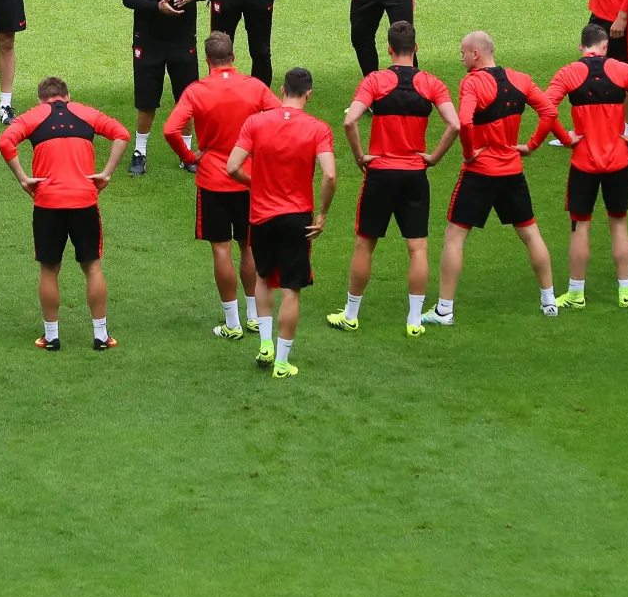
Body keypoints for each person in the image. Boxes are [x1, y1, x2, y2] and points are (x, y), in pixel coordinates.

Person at [326, 21, 457, 336]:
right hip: (414, 174)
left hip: (381, 174)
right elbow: (455, 125)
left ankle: (352, 315)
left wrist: (360, 156)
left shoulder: (375, 81)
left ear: (388, 48)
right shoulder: (431, 83)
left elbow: (349, 121)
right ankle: (413, 321)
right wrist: (434, 157)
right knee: (418, 248)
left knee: (365, 244)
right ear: (416, 49)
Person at [424, 32, 563, 325]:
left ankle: (444, 310)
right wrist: (532, 145)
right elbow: (549, 111)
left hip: (480, 173)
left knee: (454, 236)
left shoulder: (472, 82)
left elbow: (464, 121)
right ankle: (549, 301)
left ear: (476, 54)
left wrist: (470, 151)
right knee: (530, 233)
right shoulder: (521, 79)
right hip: (512, 170)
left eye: (462, 52)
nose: (460, 57)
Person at [162, 32, 281, 339]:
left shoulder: (196, 91)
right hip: (249, 180)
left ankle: (232, 323)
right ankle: (254, 315)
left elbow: (171, 129)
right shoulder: (254, 87)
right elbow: (281, 118)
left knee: (221, 250)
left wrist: (190, 156)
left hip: (213, 180)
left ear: (206, 60)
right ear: (234, 56)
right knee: (249, 246)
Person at [0, 76, 130, 351]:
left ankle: (51, 337)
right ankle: (101, 336)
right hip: (84, 202)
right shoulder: (86, 113)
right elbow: (122, 134)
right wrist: (106, 173)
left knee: (49, 269)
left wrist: (23, 178)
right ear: (67, 96)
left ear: (41, 99)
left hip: (47, 203)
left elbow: (5, 142)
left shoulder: (33, 116)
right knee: (92, 266)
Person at [226, 67, 336, 378]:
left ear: (281, 90)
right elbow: (329, 174)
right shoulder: (318, 128)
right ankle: (283, 363)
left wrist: (254, 183)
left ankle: (264, 345)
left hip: (260, 216)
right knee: (291, 289)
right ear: (309, 94)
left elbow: (232, 166)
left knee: (262, 277)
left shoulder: (256, 122)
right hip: (297, 219)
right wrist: (323, 214)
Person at [544, 24, 628, 310]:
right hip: (618, 161)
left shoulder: (569, 72)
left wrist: (565, 137)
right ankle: (625, 291)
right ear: (605, 46)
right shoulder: (622, 71)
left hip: (583, 162)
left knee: (580, 227)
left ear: (581, 47)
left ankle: (576, 294)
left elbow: (546, 108)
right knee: (619, 224)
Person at [121, 0, 216, 175]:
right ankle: (140, 152)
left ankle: (187, 155)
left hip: (183, 39)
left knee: (186, 99)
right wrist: (155, 6)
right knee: (146, 101)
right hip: (148, 40)